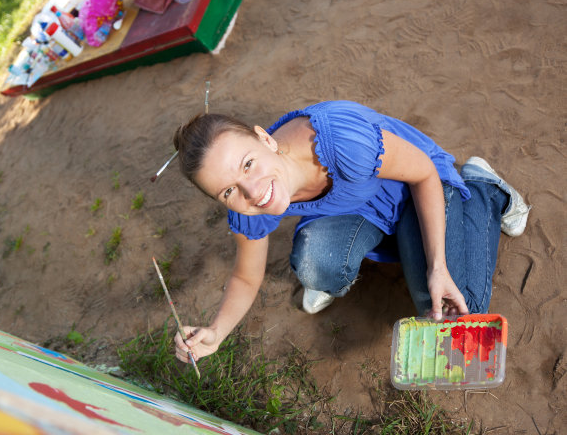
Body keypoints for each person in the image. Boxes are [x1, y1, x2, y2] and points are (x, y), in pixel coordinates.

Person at [170, 100, 530, 364]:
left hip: (415, 188)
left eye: (247, 164)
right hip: (357, 209)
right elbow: (246, 277)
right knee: (314, 263)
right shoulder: (249, 206)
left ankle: (483, 185)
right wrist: (216, 332)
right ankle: (369, 260)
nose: (251, 192)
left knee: (456, 311)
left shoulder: (341, 142)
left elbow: (422, 173)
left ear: (265, 139)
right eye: (228, 191)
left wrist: (437, 268)